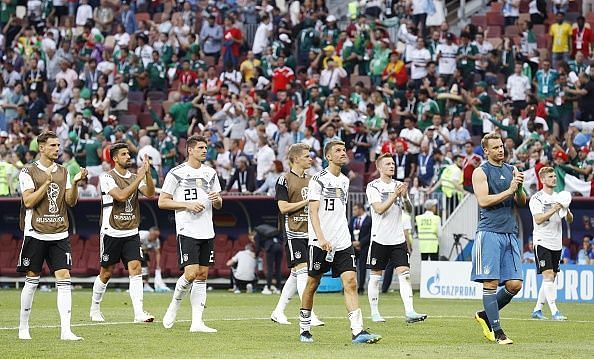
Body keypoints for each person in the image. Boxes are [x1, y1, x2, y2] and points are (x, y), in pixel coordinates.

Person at [299, 140, 381, 344]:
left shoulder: (345, 181)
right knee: (312, 284)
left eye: (344, 150)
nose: (343, 153)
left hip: (343, 242)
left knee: (351, 282)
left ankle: (357, 331)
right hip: (320, 242)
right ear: (328, 156)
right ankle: (304, 328)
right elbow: (313, 212)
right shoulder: (317, 180)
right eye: (338, 150)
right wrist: (321, 238)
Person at [17, 130, 88, 340]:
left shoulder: (64, 171)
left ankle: (66, 330)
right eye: (53, 145)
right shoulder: (28, 172)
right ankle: (23, 328)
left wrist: (75, 183)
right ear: (41, 148)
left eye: (58, 145)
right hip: (36, 233)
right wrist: (46, 183)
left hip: (59, 233)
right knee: (32, 279)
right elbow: (28, 201)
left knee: (64, 277)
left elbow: (71, 201)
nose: (57, 149)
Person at [158, 135, 223, 333]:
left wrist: (216, 199)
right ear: (190, 150)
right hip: (187, 229)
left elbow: (219, 203)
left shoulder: (210, 173)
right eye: (201, 147)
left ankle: (197, 323)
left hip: (207, 230)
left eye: (206, 147)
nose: (205, 150)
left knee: (202, 275)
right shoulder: (176, 173)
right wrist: (186, 205)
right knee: (191, 273)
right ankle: (174, 306)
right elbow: (162, 201)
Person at [90, 143, 156, 323]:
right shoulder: (107, 177)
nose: (128, 156)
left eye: (129, 153)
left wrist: (147, 174)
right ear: (115, 158)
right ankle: (95, 308)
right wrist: (139, 177)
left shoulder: (136, 176)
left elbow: (150, 193)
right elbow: (120, 196)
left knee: (135, 268)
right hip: (111, 231)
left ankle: (138, 313)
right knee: (106, 273)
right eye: (124, 154)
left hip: (131, 231)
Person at [472, 132, 526, 345]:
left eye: (501, 146)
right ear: (486, 151)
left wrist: (519, 186)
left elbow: (521, 201)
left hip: (509, 232)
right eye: (495, 147)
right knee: (491, 282)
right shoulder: (480, 172)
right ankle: (497, 331)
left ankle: (485, 314)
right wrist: (510, 189)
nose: (500, 150)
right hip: (489, 232)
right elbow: (484, 200)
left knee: (515, 285)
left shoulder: (512, 170)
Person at [366, 154, 426, 323]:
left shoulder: (399, 185)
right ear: (379, 167)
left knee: (405, 275)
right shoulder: (373, 187)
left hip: (398, 239)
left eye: (393, 163)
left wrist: (404, 196)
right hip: (379, 238)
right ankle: (375, 313)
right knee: (376, 277)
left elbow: (408, 209)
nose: (392, 166)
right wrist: (394, 195)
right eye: (388, 164)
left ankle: (410, 312)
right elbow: (379, 209)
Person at [271, 143, 323, 326]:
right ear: (296, 158)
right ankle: (309, 314)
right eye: (307, 155)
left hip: (309, 231)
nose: (311, 158)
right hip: (293, 231)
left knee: (296, 273)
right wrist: (307, 201)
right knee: (303, 271)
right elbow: (283, 208)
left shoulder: (312, 180)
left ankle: (278, 312)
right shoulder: (284, 179)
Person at [530, 167, 573, 320]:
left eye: (555, 176)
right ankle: (555, 311)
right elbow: (539, 219)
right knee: (548, 275)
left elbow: (569, 220)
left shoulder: (559, 196)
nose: (554, 179)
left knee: (551, 277)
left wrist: (566, 210)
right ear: (542, 180)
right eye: (550, 176)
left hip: (556, 242)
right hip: (542, 241)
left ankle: (537, 310)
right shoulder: (537, 198)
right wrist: (555, 208)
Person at [349, 203, 371, 294]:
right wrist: (353, 242)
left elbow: (370, 234)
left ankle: (361, 287)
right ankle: (350, 285)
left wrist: (360, 243)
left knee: (362, 267)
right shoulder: (353, 219)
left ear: (361, 209)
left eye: (355, 209)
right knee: (351, 267)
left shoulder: (369, 220)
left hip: (364, 247)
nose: (353, 211)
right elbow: (349, 230)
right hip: (353, 246)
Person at [139, 227, 162, 292]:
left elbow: (157, 253)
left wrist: (158, 265)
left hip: (145, 253)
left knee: (148, 266)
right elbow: (132, 244)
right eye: (155, 236)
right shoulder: (142, 235)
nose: (156, 238)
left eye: (157, 236)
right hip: (136, 251)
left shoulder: (156, 240)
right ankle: (134, 285)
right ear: (150, 233)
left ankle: (146, 285)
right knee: (136, 267)